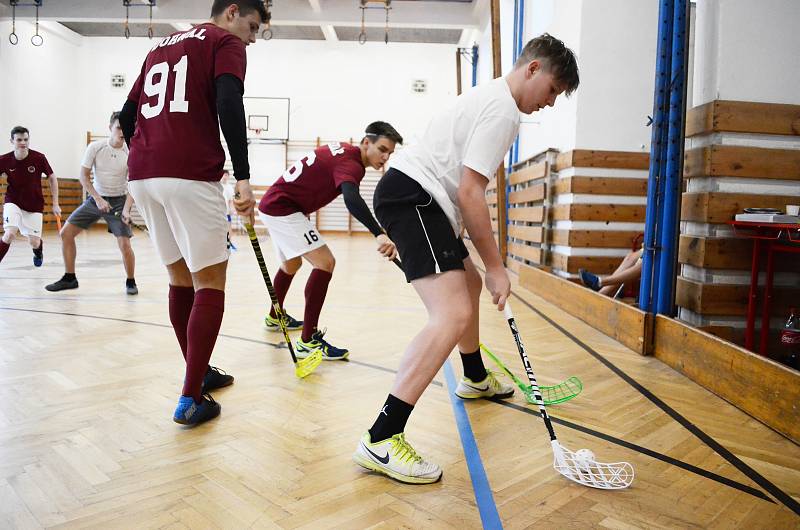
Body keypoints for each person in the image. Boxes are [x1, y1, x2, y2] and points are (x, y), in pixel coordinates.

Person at [353, 34, 580, 484]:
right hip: (414, 198)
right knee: (453, 312)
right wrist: (497, 267)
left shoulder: (494, 100)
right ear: (532, 69)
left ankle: (474, 376)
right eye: (553, 90)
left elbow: (463, 191)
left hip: (426, 201)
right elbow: (472, 192)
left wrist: (481, 266)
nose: (551, 103)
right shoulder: (502, 110)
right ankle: (381, 437)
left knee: (468, 286)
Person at [118, 0, 266, 426]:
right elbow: (228, 103)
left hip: (143, 174)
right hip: (190, 173)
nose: (251, 39)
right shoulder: (224, 42)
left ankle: (196, 372)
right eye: (252, 28)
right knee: (210, 281)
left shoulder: (159, 46)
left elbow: (128, 115)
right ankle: (190, 398)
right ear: (232, 12)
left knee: (179, 278)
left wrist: (146, 154)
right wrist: (242, 176)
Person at [257, 122, 401, 360]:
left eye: (390, 153)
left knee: (291, 265)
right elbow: (351, 199)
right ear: (367, 143)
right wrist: (379, 233)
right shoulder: (352, 165)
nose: (385, 157)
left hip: (275, 204)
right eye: (382, 149)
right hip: (283, 208)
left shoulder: (343, 150)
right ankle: (308, 341)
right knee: (325, 262)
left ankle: (274, 316)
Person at [45, 112, 139, 294]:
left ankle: (130, 281)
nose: (122, 132)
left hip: (119, 201)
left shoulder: (132, 152)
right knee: (66, 233)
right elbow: (83, 176)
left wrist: (127, 209)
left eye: (126, 128)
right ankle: (69, 278)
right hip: (95, 198)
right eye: (119, 128)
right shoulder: (95, 147)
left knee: (125, 245)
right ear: (110, 128)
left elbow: (133, 183)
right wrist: (97, 198)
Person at [0, 126, 59, 268]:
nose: (23, 143)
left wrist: (55, 203)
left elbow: (52, 177)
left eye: (25, 139)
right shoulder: (4, 159)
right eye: (19, 140)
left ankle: (38, 252)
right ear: (12, 141)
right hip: (13, 201)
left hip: (34, 205)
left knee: (34, 242)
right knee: (9, 234)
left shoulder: (39, 158)